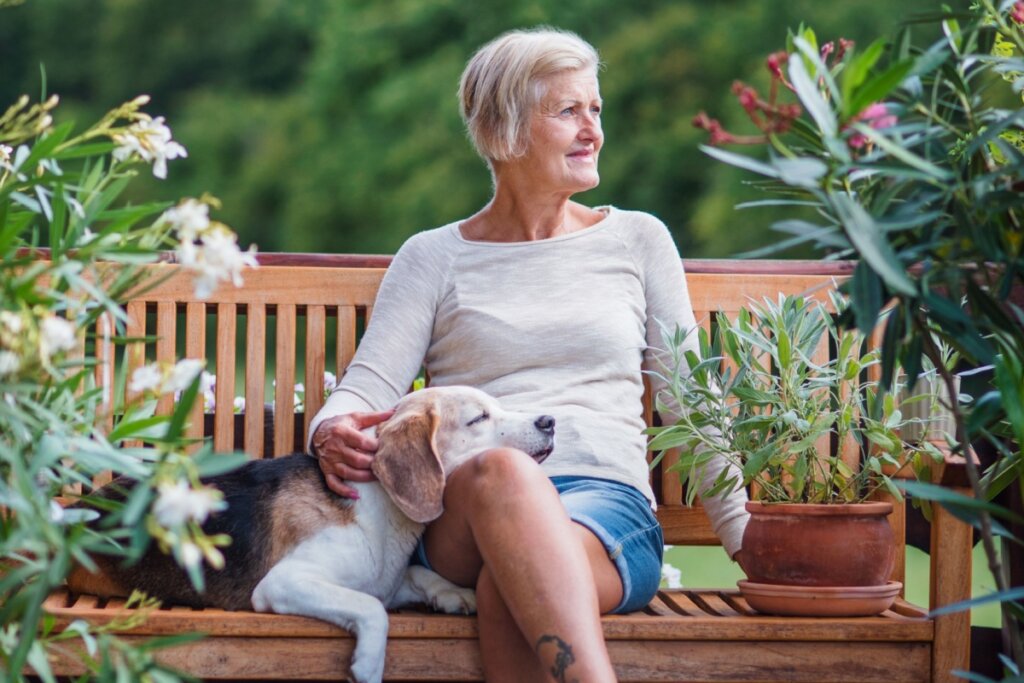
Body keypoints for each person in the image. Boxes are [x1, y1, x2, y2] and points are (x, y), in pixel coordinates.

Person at [308, 27, 749, 682]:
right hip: (467, 508)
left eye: (595, 110)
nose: (592, 130)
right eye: (568, 111)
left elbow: (693, 400)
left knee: (504, 590)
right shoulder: (434, 256)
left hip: (607, 511)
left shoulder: (637, 240)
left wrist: (746, 539)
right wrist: (329, 430)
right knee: (505, 473)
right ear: (504, 130)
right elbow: (366, 388)